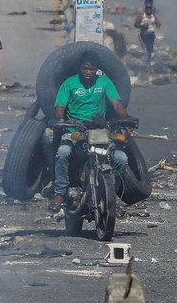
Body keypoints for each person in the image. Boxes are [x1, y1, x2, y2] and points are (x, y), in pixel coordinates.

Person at [48, 53, 131, 211]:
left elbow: (117, 104)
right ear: (79, 68)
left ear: (97, 70)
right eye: (85, 68)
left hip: (99, 131)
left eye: (92, 69)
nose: (88, 72)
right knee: (63, 152)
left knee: (121, 158)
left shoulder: (104, 81)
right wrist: (61, 121)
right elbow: (59, 109)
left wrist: (126, 118)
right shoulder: (69, 83)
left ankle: (112, 194)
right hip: (75, 132)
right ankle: (60, 192)